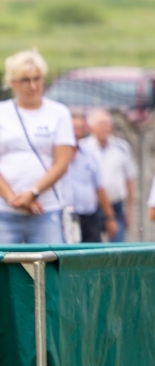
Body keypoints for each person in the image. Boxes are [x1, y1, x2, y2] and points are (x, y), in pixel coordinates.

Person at [0, 50, 76, 246]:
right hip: (4, 210)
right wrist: (13, 198)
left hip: (46, 208)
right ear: (13, 82)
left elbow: (62, 162)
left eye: (37, 79)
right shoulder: (2, 112)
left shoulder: (59, 112)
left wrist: (33, 192)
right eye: (25, 80)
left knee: (48, 261)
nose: (33, 86)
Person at [58, 108, 110, 242]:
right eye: (74, 127)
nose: (77, 131)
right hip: (63, 215)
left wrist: (109, 216)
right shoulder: (56, 155)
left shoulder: (89, 154)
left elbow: (99, 186)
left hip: (88, 215)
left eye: (80, 127)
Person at [85, 109, 135, 241]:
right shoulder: (84, 148)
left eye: (107, 124)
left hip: (116, 204)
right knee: (93, 247)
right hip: (92, 207)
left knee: (117, 247)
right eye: (100, 124)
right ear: (91, 127)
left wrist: (129, 211)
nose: (104, 128)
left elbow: (129, 179)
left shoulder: (122, 147)